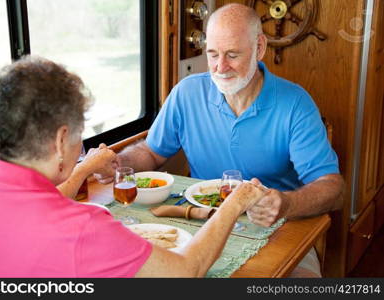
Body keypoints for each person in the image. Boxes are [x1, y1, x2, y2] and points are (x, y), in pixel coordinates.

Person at [94, 4, 345, 277]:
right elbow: (150, 153)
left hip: (277, 227)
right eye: (212, 54)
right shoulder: (187, 93)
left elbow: (333, 188)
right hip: (201, 224)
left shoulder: (295, 103)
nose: (220, 67)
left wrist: (285, 204)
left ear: (259, 48)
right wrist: (119, 163)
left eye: (233, 55)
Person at [0, 55, 265, 277]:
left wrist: (83, 170)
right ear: (60, 141)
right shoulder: (83, 229)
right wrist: (233, 204)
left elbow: (43, 204)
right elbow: (186, 272)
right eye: (79, 133)